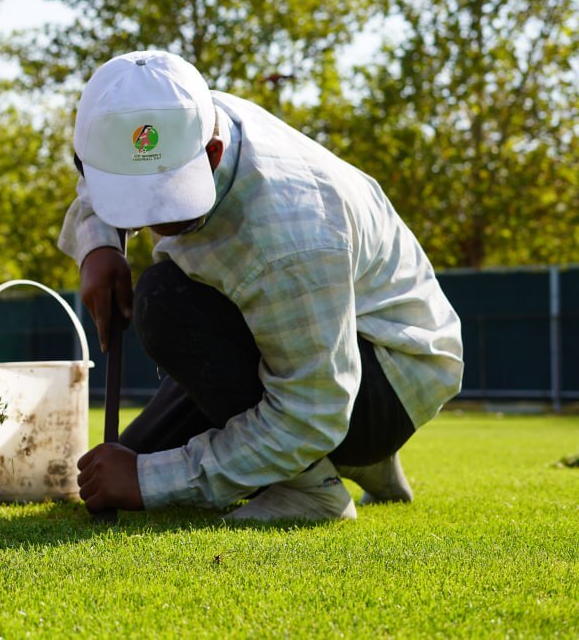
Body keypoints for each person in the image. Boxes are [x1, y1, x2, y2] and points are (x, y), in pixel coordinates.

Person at [64, 51, 464, 522]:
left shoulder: (292, 237)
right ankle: (359, 462)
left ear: (212, 154)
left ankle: (315, 488)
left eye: (166, 196)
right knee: (136, 452)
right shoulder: (171, 115)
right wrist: (100, 246)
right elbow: (101, 175)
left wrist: (151, 480)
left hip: (388, 373)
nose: (148, 219)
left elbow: (313, 409)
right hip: (318, 346)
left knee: (163, 301)